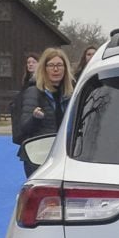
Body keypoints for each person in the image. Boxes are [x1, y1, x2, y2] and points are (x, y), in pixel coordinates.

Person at [18, 47, 74, 175]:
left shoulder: (71, 94)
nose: (56, 69)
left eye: (59, 65)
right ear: (44, 68)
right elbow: (24, 127)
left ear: (65, 68)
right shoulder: (33, 92)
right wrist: (35, 118)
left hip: (64, 153)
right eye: (51, 65)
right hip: (38, 155)